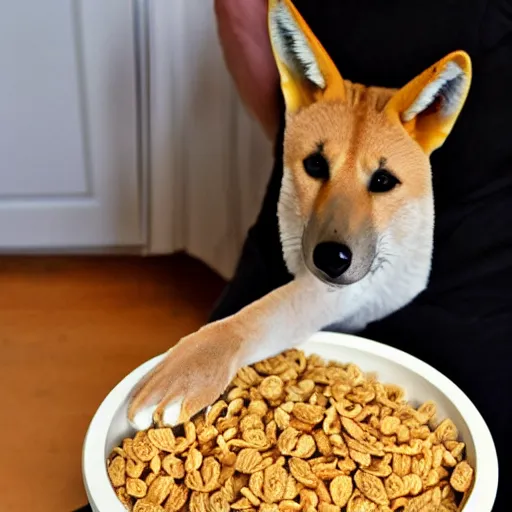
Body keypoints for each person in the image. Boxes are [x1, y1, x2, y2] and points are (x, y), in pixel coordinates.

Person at [75, 1, 511, 510]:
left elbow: (239, 11)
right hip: (481, 244)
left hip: (475, 261)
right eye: (317, 168)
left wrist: (302, 146)